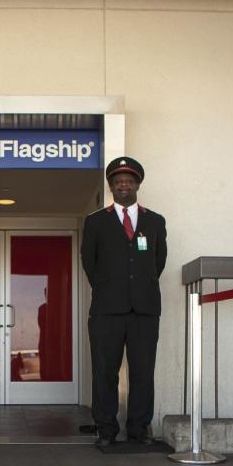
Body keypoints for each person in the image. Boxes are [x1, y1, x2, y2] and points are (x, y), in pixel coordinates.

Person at [81, 156, 167, 447]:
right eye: (118, 181)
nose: (123, 185)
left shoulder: (155, 221)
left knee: (143, 372)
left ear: (137, 184)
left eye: (129, 181)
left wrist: (137, 287)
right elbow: (89, 263)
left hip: (144, 310)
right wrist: (110, 288)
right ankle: (106, 430)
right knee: (104, 372)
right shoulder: (95, 222)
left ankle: (138, 430)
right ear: (111, 186)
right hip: (107, 310)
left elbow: (159, 261)